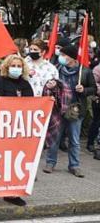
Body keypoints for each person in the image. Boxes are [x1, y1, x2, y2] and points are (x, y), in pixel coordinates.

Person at [0, 54, 34, 211]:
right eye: (13, 65)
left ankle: (11, 193)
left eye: (19, 66)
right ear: (6, 67)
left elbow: (31, 105)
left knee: (13, 162)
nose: (16, 68)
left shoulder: (25, 85)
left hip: (16, 131)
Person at [43, 44, 94, 178]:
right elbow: (49, 84)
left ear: (71, 57)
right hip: (58, 109)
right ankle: (50, 162)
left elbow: (93, 89)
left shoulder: (85, 71)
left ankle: (74, 165)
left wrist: (84, 90)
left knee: (74, 140)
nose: (61, 57)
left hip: (75, 110)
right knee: (55, 137)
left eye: (64, 55)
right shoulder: (56, 69)